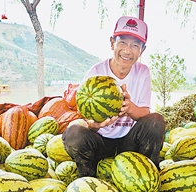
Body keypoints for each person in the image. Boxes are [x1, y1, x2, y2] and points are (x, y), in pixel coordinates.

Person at [62, 16, 166, 177]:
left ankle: (149, 177)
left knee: (156, 121)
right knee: (73, 133)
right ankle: (89, 181)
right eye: (122, 42)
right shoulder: (95, 74)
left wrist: (130, 108)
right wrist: (95, 125)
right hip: (101, 143)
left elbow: (145, 113)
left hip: (130, 143)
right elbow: (85, 119)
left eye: (135, 45)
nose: (127, 50)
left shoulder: (142, 72)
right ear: (112, 43)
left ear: (142, 50)